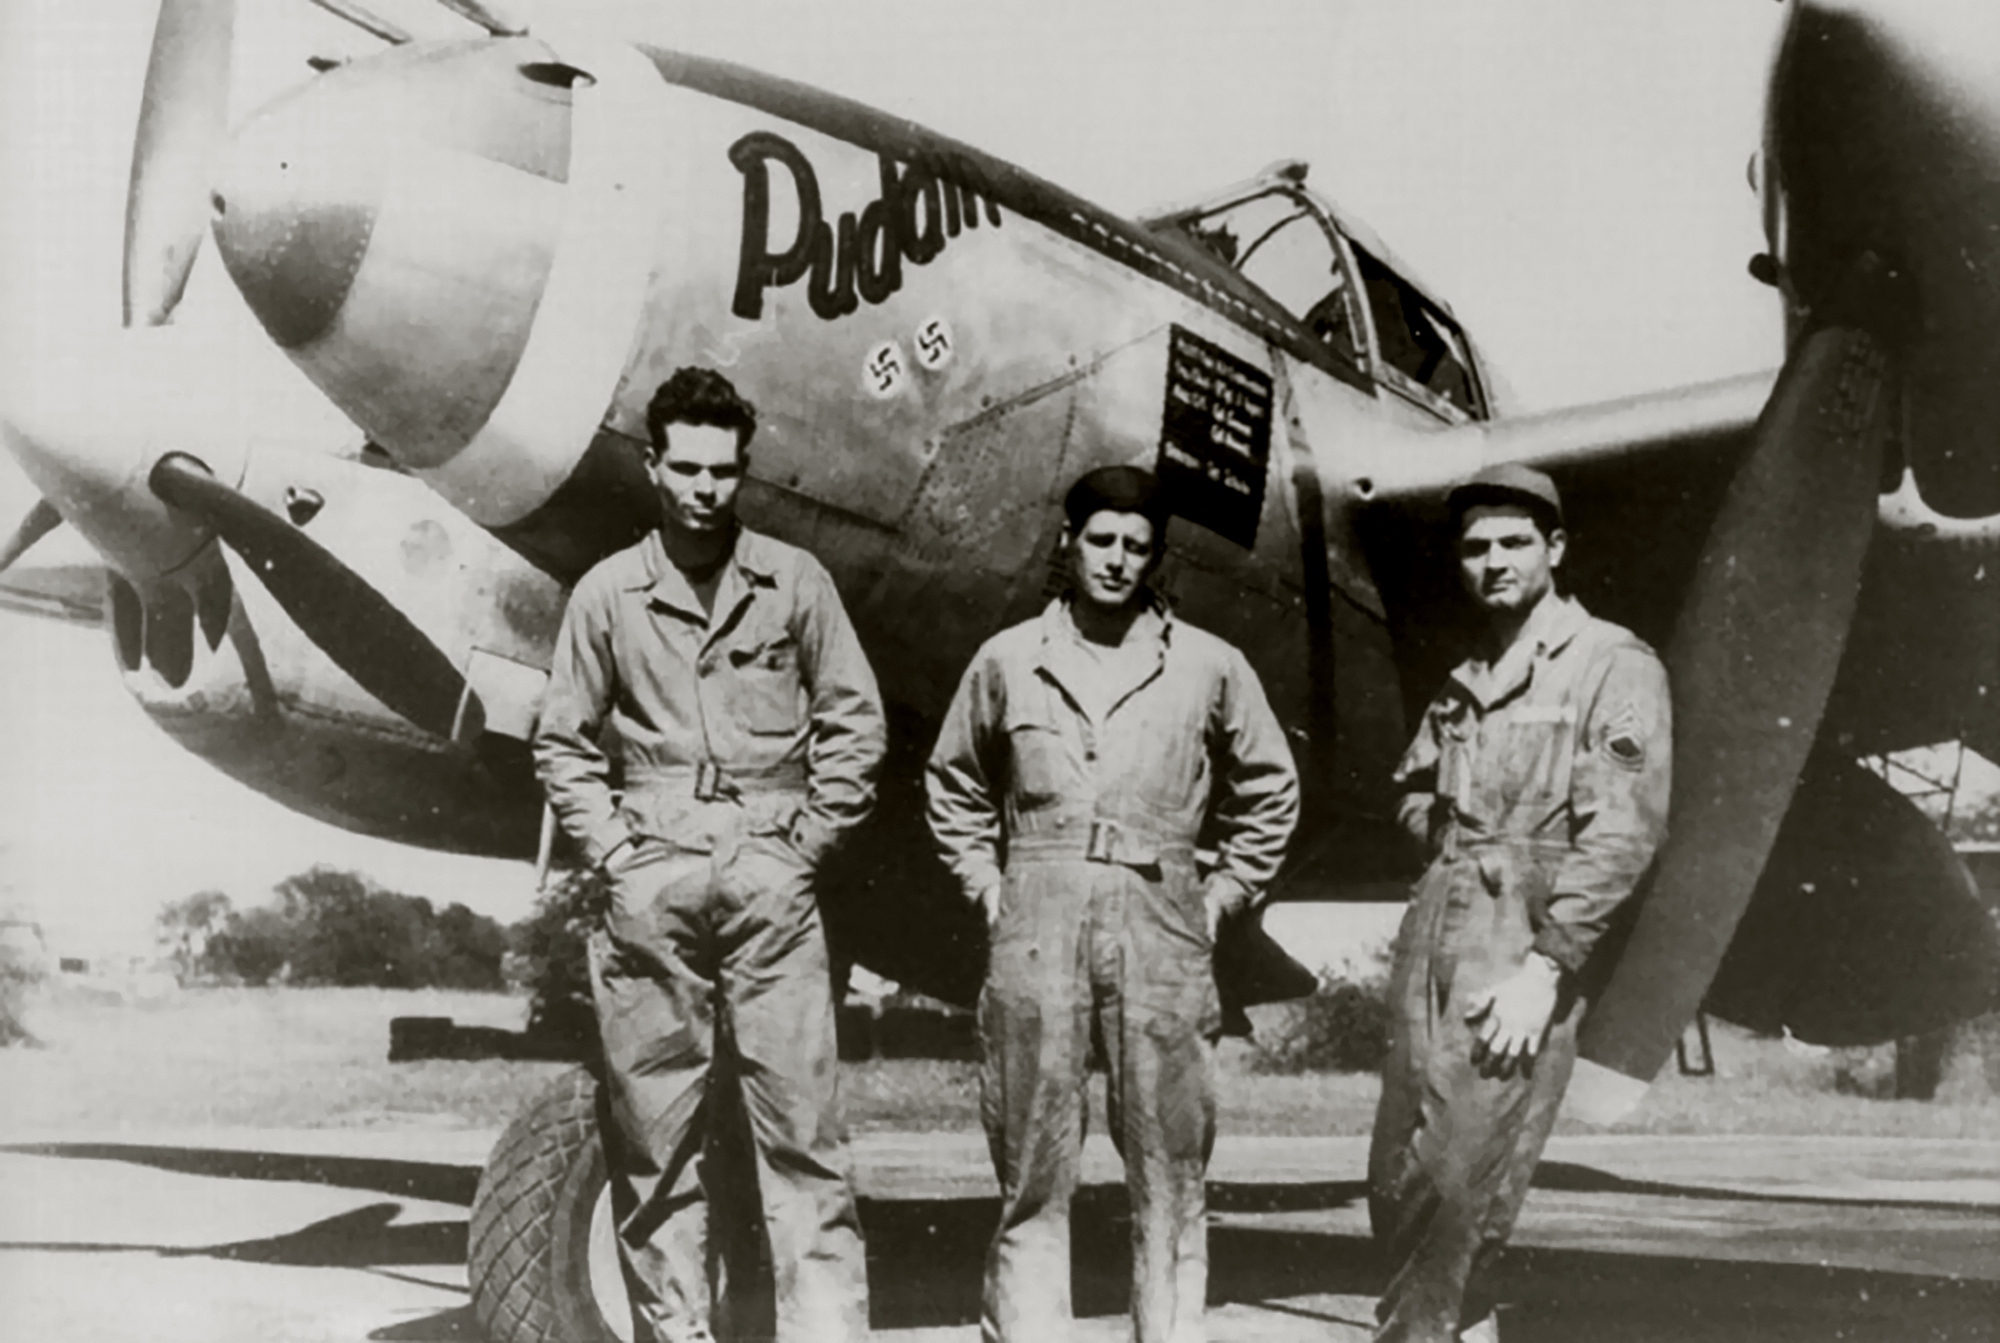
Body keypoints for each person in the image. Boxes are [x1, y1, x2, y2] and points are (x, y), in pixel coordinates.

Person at [533, 367, 884, 1343]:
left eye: (722, 471)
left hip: (772, 872)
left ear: (743, 471)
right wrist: (617, 852)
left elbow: (854, 724)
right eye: (685, 468)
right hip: (654, 867)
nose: (703, 488)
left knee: (804, 1139)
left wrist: (805, 845)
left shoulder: (795, 583)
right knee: (656, 1146)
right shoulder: (607, 594)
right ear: (653, 465)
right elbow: (563, 740)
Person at [926, 464, 1300, 1343]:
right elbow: (953, 780)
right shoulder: (1008, 659)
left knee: (1171, 1160)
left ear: (1155, 557)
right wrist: (986, 882)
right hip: (1038, 908)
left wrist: (1224, 892)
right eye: (1101, 540)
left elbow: (1270, 787)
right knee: (1031, 1157)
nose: (1117, 559)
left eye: (1137, 546)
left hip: (1161, 911)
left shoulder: (1209, 664)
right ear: (1070, 542)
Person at [1368, 463, 1672, 1342]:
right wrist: (1450, 841)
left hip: (1519, 943)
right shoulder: (1465, 677)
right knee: (1395, 1171)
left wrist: (1545, 967)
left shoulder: (1611, 663)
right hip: (1436, 922)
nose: (1493, 561)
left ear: (1555, 548)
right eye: (1475, 547)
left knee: (1460, 1173)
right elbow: (1410, 786)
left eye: (1514, 542)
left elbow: (1624, 832)